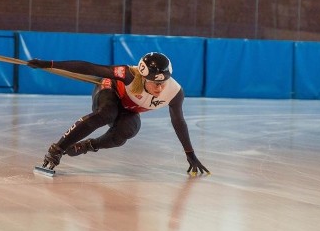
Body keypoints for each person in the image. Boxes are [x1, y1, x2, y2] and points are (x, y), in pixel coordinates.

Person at [27, 52, 209, 176]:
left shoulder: (175, 92)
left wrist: (190, 153)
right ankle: (57, 150)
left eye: (163, 83)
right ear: (143, 77)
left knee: (127, 131)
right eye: (154, 83)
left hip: (128, 108)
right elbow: (90, 68)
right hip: (110, 90)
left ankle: (87, 146)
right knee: (107, 113)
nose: (160, 88)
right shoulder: (128, 74)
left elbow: (179, 122)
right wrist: (49, 64)